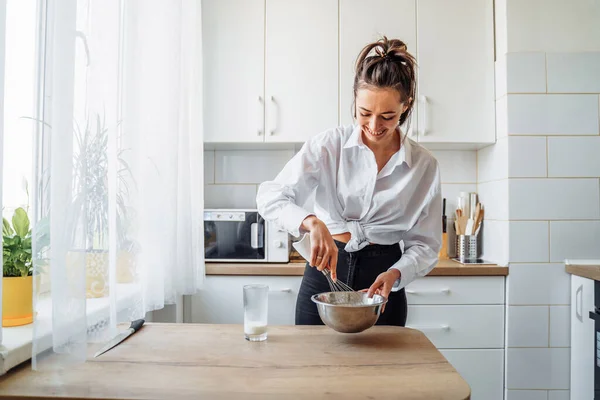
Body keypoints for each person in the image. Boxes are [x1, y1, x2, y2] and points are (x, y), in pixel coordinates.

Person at [256, 36, 442, 326]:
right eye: (364, 113)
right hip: (325, 275)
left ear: (405, 106)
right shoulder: (329, 145)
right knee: (312, 367)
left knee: (380, 371)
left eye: (388, 116)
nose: (373, 126)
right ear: (354, 100)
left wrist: (396, 274)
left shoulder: (423, 165)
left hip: (384, 282)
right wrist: (311, 222)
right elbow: (270, 197)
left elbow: (426, 245)